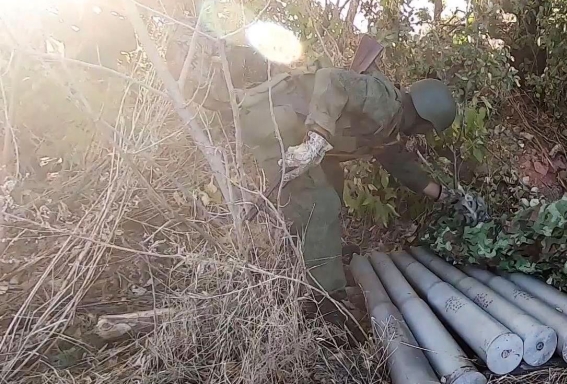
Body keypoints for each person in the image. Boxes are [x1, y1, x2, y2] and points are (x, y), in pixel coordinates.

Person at [168, 29, 483, 317]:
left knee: (332, 184)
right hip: (276, 124)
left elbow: (399, 164)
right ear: (424, 118)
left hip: (288, 126)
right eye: (427, 129)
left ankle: (322, 254)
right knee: (320, 204)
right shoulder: (385, 101)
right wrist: (317, 137)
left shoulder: (390, 122)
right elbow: (331, 79)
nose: (423, 134)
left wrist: (444, 195)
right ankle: (324, 302)